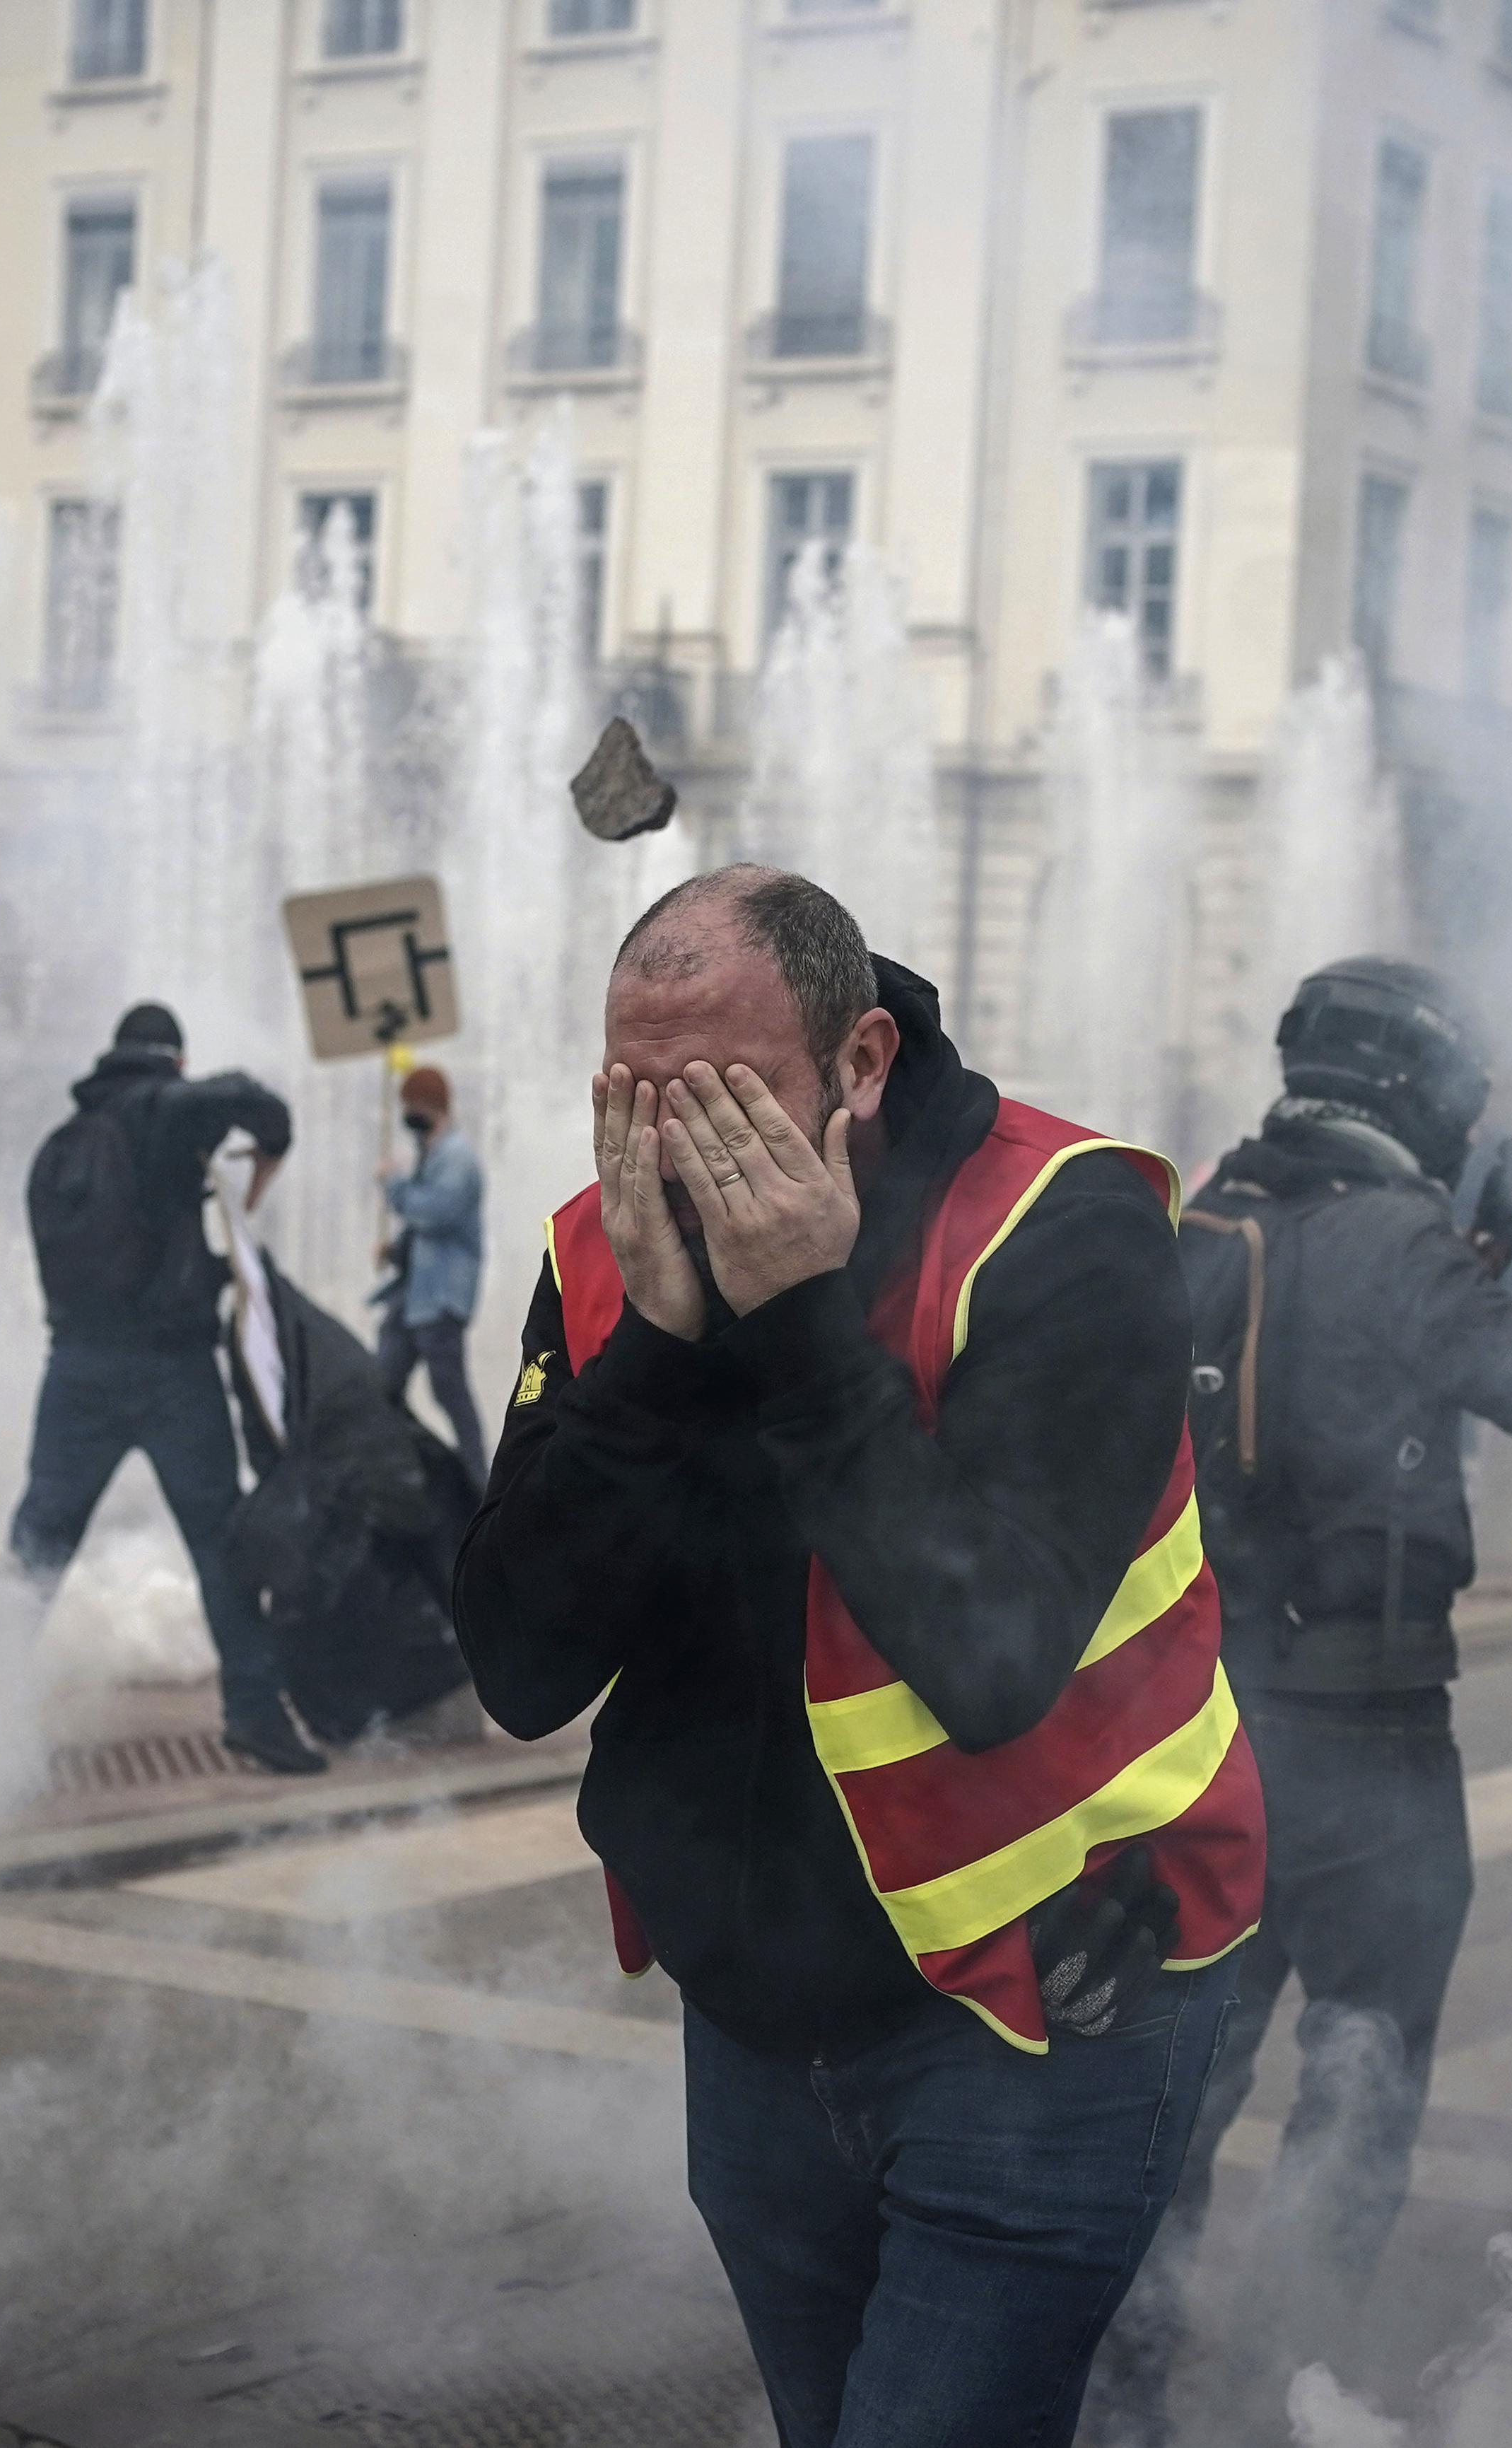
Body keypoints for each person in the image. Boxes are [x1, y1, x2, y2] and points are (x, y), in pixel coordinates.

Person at [453, 865, 1264, 2448]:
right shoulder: (604, 1243)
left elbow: (985, 1651)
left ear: (862, 1062)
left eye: (732, 1099)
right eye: (640, 1096)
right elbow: (518, 1659)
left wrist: (799, 1320)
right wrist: (662, 1361)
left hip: (1043, 2009)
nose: (682, 1150)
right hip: (756, 2024)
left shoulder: (1062, 1221)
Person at [1095, 956, 1512, 2442]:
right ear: (1425, 1089)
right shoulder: (1397, 1239)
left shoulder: (1194, 1216)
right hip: (1363, 1734)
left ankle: (1119, 2399)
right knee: (1359, 2075)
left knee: (1180, 2088)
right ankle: (1287, 2392)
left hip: (1189, 1729)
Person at [13, 1002, 317, 1774]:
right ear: (174, 1062)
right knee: (220, 1547)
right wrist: (271, 1144)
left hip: (75, 1368)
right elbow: (250, 1095)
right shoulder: (162, 1112)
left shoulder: (59, 1146)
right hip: (170, 1374)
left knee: (38, 1549)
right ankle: (254, 1714)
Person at [373, 1062, 487, 1490]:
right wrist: (396, 1251)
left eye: (412, 1107)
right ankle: (400, 1475)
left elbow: (434, 1213)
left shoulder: (458, 1159)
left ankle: (479, 1484)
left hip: (440, 1301)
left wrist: (393, 1186)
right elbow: (423, 1234)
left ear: (432, 1107)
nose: (407, 1115)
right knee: (381, 1386)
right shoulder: (431, 1155)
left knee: (450, 1394)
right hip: (413, 1297)